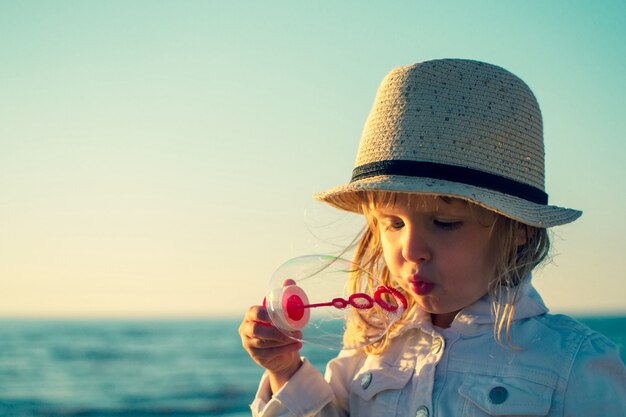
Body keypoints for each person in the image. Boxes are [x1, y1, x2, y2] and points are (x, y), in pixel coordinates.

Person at [239, 59, 626, 416]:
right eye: (392, 223)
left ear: (519, 228)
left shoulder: (573, 363)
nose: (411, 250)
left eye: (444, 222)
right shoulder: (372, 343)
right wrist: (284, 372)